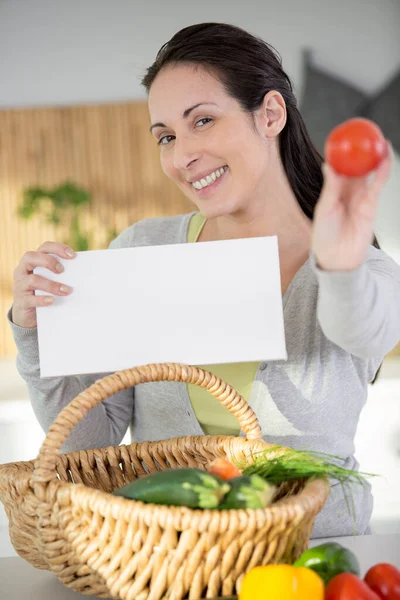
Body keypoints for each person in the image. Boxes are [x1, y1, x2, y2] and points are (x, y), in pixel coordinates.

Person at [8, 22, 400, 538]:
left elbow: (363, 331)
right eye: (166, 136)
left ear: (271, 114)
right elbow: (91, 449)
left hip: (314, 565)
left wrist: (340, 265)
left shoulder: (366, 272)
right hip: (172, 564)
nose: (181, 156)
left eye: (204, 121)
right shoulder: (143, 252)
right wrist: (36, 335)